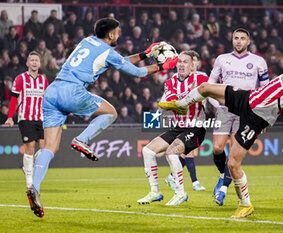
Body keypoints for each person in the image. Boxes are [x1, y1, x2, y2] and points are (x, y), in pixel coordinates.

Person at [159, 44, 283, 218]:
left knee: (233, 164)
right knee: (205, 88)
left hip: (256, 118)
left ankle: (245, 205)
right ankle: (179, 105)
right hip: (248, 98)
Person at [26, 18, 178, 218]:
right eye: (118, 31)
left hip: (52, 91)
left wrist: (145, 54)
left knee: (49, 148)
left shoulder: (88, 41)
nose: (119, 34)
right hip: (72, 91)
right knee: (111, 112)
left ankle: (34, 188)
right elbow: (138, 73)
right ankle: (82, 139)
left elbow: (120, 61)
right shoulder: (108, 52)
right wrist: (161, 67)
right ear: (111, 35)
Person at [137, 51, 208, 206]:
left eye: (185, 62)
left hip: (195, 128)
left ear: (192, 65)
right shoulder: (170, 82)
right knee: (147, 151)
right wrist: (154, 119)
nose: (181, 64)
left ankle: (180, 193)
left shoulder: (201, 79)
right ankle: (155, 191)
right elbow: (166, 103)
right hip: (178, 127)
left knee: (171, 153)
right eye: (179, 61)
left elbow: (214, 98)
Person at [208, 28, 270, 206]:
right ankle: (222, 176)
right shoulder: (222, 59)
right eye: (236, 38)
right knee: (218, 148)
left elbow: (265, 91)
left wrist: (262, 115)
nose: (239, 41)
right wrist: (216, 103)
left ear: (248, 41)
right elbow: (211, 84)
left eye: (242, 38)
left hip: (246, 111)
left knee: (234, 154)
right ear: (232, 39)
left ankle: (223, 190)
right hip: (225, 109)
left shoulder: (258, 61)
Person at [4, 51, 48, 190]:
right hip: (26, 117)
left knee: (46, 149)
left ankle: (27, 166)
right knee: (30, 148)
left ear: (39, 64)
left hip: (40, 118)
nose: (34, 62)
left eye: (37, 60)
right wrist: (10, 117)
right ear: (27, 63)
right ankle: (30, 183)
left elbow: (47, 101)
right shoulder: (20, 79)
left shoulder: (43, 80)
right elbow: (13, 100)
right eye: (32, 60)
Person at [164, 50, 207, 192]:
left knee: (186, 152)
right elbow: (171, 100)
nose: (193, 63)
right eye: (190, 61)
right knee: (187, 152)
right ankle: (192, 183)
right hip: (182, 123)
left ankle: (174, 177)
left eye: (194, 61)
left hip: (198, 120)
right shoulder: (175, 79)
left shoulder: (202, 78)